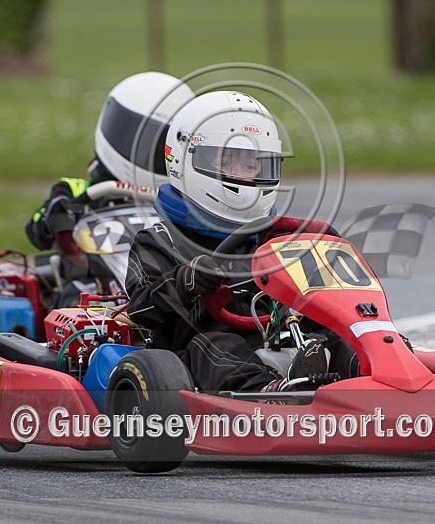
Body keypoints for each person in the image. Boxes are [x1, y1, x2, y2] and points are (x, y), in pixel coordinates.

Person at [125, 91, 359, 394]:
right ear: (184, 159)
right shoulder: (160, 240)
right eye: (229, 163)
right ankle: (271, 395)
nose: (244, 178)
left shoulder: (278, 238)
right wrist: (185, 282)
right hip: (197, 363)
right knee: (216, 343)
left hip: (283, 341)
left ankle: (376, 377)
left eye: (252, 166)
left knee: (333, 337)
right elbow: (140, 312)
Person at [24, 72, 194, 298]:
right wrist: (58, 213)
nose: (146, 153)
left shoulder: (182, 200)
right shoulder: (75, 191)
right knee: (74, 293)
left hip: (162, 293)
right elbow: (37, 231)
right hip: (92, 291)